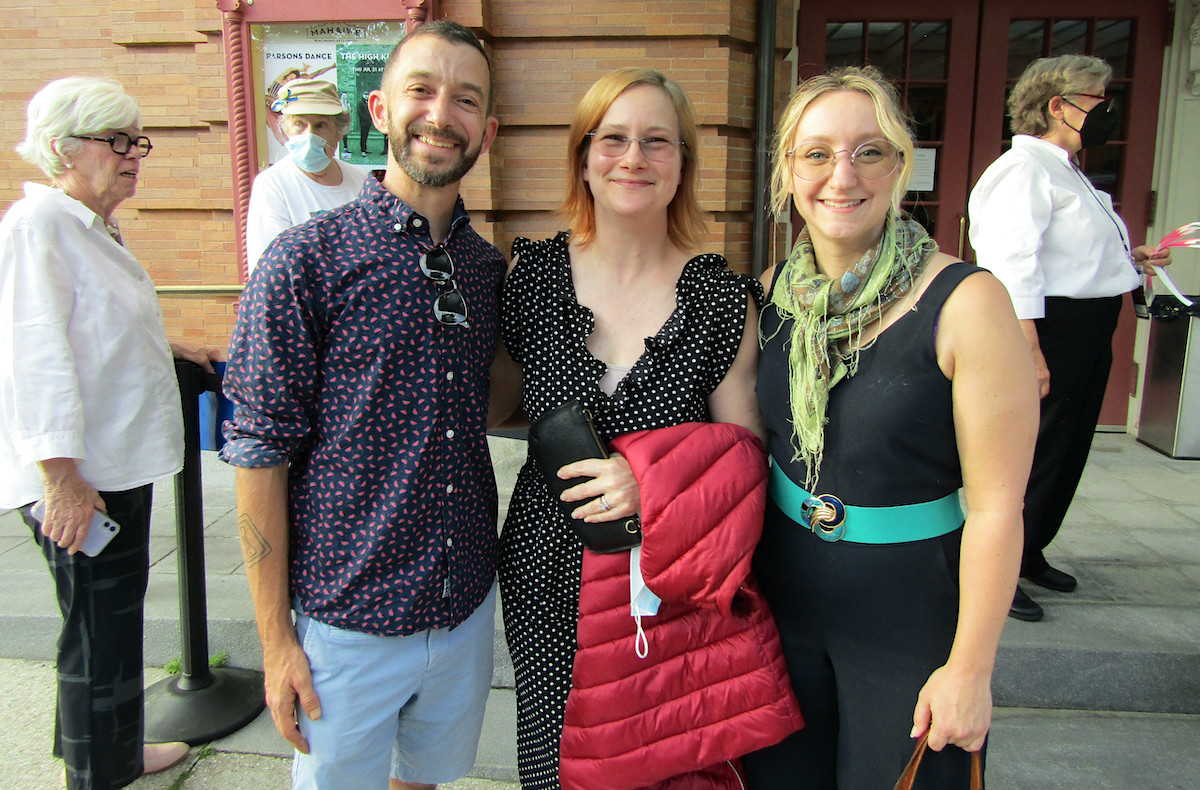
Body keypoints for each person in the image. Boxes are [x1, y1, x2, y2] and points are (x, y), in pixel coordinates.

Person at [220, 21, 502, 790]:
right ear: (379, 108)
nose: (441, 114)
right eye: (422, 90)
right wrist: (275, 641)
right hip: (347, 621)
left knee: (425, 782)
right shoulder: (305, 261)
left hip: (464, 604)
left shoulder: (484, 270)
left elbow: (498, 401)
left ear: (488, 128)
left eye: (466, 99)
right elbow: (257, 454)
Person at [743, 66, 1039, 789]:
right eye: (816, 153)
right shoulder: (767, 296)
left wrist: (971, 667)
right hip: (782, 613)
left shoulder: (967, 302)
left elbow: (998, 507)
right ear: (786, 173)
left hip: (910, 618)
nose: (841, 175)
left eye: (868, 152)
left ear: (901, 166)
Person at [498, 67, 780, 789]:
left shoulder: (721, 298)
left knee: (660, 763)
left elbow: (745, 459)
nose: (633, 158)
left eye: (657, 142)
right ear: (583, 157)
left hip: (662, 582)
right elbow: (494, 403)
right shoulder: (529, 280)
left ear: (683, 163)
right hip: (547, 566)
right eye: (613, 139)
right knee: (554, 760)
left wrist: (651, 476)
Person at [0, 76, 221, 790]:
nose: (134, 155)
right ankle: (100, 772)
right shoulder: (38, 228)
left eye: (137, 140)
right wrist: (61, 480)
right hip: (83, 481)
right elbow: (36, 354)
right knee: (100, 632)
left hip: (112, 470)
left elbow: (96, 334)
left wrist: (170, 346)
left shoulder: (85, 226)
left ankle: (104, 747)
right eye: (117, 140)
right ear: (64, 149)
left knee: (103, 624)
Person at [967, 54, 1172, 622]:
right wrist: (1028, 351)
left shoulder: (1065, 169)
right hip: (1049, 330)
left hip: (1085, 327)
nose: (1108, 110)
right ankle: (999, 571)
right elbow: (1012, 266)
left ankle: (1029, 552)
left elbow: (1070, 255)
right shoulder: (1023, 170)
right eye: (1098, 98)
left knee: (1067, 447)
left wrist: (1128, 262)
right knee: (1032, 455)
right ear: (1059, 105)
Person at [245, 78, 369, 272]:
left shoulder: (362, 180)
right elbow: (271, 269)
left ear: (339, 131)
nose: (309, 135)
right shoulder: (273, 184)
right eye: (300, 124)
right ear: (286, 130)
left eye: (320, 125)